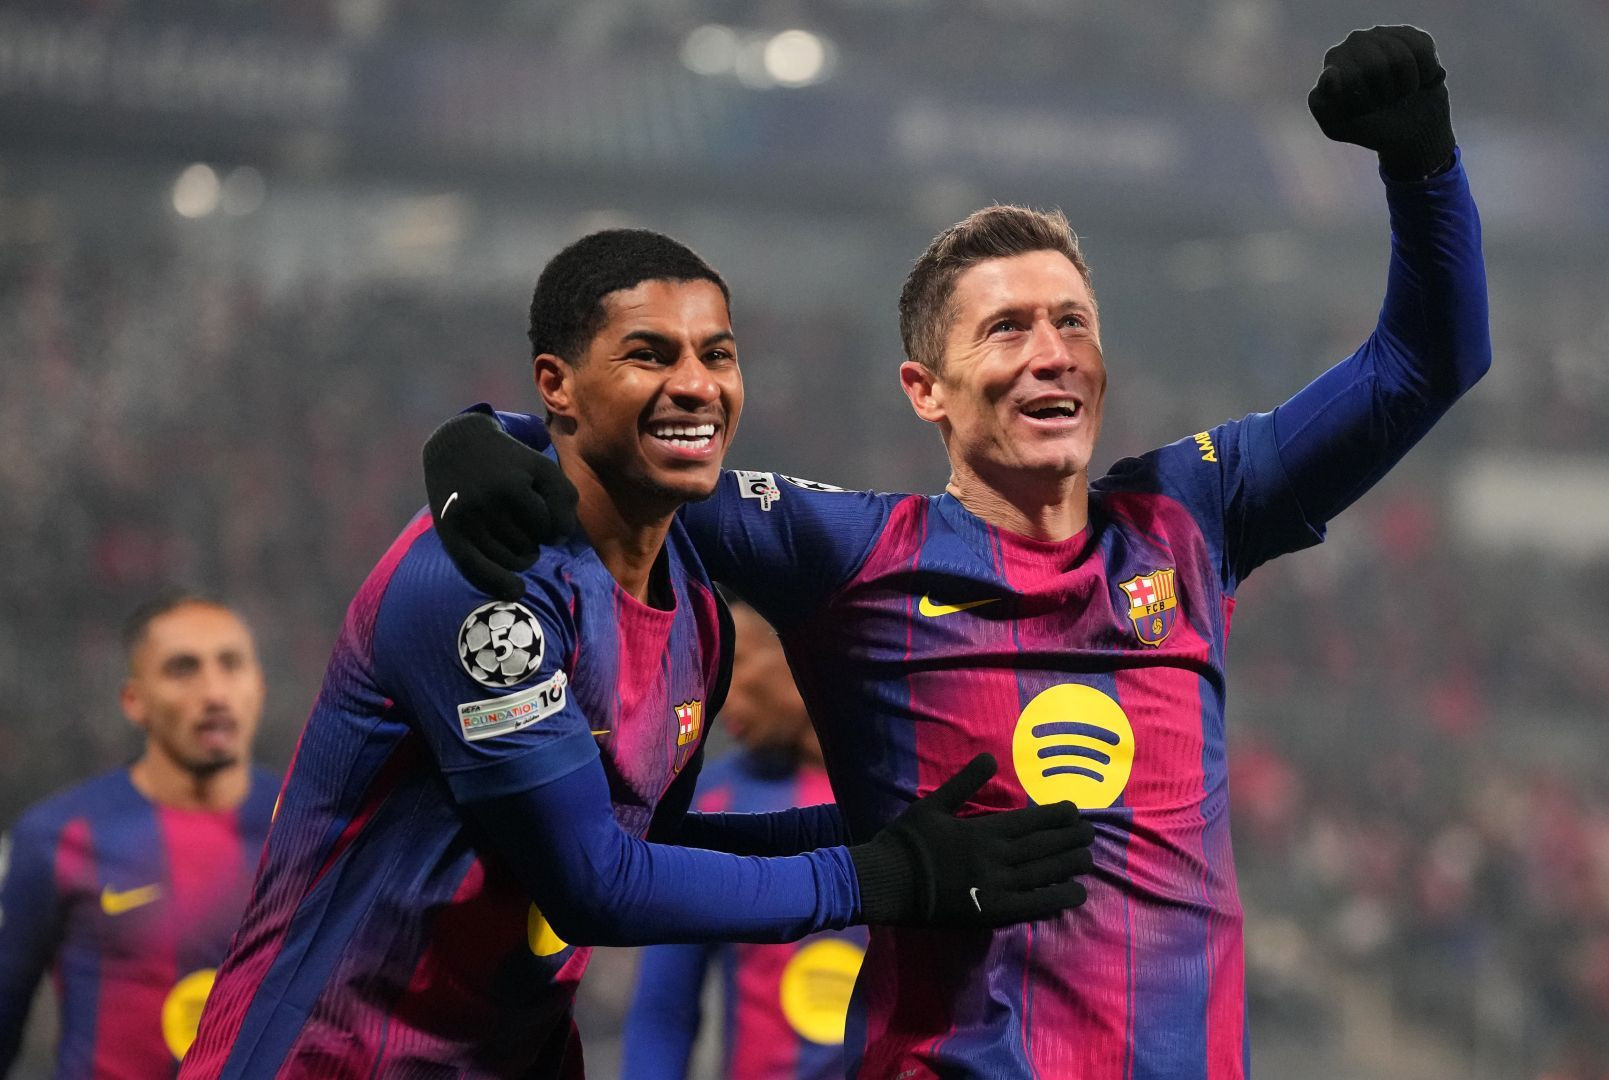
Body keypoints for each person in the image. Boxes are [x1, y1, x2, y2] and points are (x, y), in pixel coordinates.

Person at [425, 25, 1491, 1079]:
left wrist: (1423, 166)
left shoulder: (1189, 514)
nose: (1051, 354)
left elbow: (1423, 364)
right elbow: (620, 460)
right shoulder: (849, 553)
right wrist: (487, 437)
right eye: (1007, 328)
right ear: (924, 390)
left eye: (1073, 323)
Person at [179, 230, 1092, 1079]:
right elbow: (595, 886)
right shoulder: (483, 587)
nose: (695, 384)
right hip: (327, 1059)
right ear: (557, 383)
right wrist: (886, 877)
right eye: (649, 354)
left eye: (717, 355)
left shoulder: (697, 607)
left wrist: (876, 829)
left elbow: (644, 841)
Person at [0, 594, 278, 1080]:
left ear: (259, 685)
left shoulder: (311, 829)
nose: (214, 692)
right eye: (182, 668)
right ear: (134, 701)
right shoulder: (59, 837)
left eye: (231, 664)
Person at [621, 599, 869, 1079]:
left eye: (735, 662)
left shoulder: (902, 785)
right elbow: (664, 1009)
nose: (721, 693)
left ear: (796, 652)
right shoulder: (713, 805)